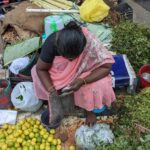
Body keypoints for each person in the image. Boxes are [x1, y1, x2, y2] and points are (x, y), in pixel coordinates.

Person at [31, 21, 115, 126]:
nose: (71, 61)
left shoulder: (89, 40)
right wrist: (52, 92)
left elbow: (106, 67)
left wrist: (82, 81)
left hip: (84, 70)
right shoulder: (51, 43)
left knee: (100, 83)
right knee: (38, 76)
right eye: (67, 57)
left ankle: (90, 110)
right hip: (60, 72)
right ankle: (55, 102)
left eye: (74, 58)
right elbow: (41, 69)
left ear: (83, 48)